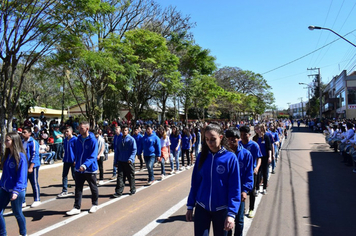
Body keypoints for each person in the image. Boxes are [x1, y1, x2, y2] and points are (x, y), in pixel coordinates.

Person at [186, 123, 241, 236]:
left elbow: (235, 187)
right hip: (202, 207)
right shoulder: (202, 156)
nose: (209, 143)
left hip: (222, 209)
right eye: (207, 139)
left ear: (221, 137)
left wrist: (231, 214)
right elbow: (195, 183)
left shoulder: (230, 158)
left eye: (213, 139)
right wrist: (190, 206)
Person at [66, 121, 99, 216]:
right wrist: (76, 161)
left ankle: (94, 204)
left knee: (93, 187)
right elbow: (77, 152)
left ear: (87, 129)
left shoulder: (93, 140)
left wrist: (84, 165)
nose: (79, 130)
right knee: (78, 188)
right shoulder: (78, 139)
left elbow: (93, 156)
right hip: (78, 169)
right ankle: (77, 207)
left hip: (89, 169)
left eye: (81, 128)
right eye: (79, 128)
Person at [226, 128, 254, 236]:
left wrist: (245, 190)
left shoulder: (246, 155)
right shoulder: (224, 154)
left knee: (239, 220)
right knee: (227, 219)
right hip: (226, 192)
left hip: (239, 193)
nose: (230, 142)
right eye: (228, 139)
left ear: (239, 139)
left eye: (233, 139)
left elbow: (249, 174)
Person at [0, 132, 28, 236]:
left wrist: (16, 191)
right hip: (4, 189)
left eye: (7, 140)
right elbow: (5, 174)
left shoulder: (21, 157)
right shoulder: (7, 156)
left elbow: (22, 176)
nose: (5, 142)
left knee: (17, 213)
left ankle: (23, 233)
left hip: (16, 190)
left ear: (14, 141)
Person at [239, 126, 262, 218]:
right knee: (241, 191)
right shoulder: (239, 144)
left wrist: (257, 167)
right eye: (241, 135)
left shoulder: (254, 145)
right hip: (241, 172)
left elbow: (259, 157)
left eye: (245, 135)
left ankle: (251, 209)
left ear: (249, 135)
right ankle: (242, 209)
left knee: (251, 191)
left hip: (251, 172)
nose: (243, 137)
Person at [113, 125, 137, 197]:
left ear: (128, 131)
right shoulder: (119, 139)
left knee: (130, 176)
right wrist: (115, 161)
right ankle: (118, 192)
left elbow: (134, 150)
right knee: (120, 177)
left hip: (128, 161)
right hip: (121, 161)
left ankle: (132, 188)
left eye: (125, 130)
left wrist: (131, 159)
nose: (124, 132)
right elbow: (117, 151)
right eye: (123, 130)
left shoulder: (131, 139)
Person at [22, 126, 42, 208]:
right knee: (23, 183)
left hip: (32, 166)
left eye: (25, 132)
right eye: (22, 132)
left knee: (34, 182)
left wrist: (31, 167)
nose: (23, 134)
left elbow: (35, 155)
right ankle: (23, 201)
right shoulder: (22, 142)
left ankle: (37, 199)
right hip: (24, 166)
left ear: (29, 133)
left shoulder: (33, 142)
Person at [58, 126, 77, 198]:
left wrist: (76, 160)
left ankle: (77, 188)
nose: (66, 133)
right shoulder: (65, 140)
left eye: (67, 131)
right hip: (66, 160)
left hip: (73, 160)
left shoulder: (75, 139)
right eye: (65, 131)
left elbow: (77, 151)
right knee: (64, 175)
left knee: (74, 175)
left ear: (71, 131)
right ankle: (64, 190)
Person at [253, 124, 272, 195]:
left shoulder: (266, 137)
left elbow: (269, 148)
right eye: (255, 129)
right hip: (258, 158)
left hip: (265, 157)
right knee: (257, 173)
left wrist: (270, 157)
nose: (256, 130)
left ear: (261, 129)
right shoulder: (255, 138)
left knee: (265, 173)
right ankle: (257, 188)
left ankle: (264, 188)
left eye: (258, 128)